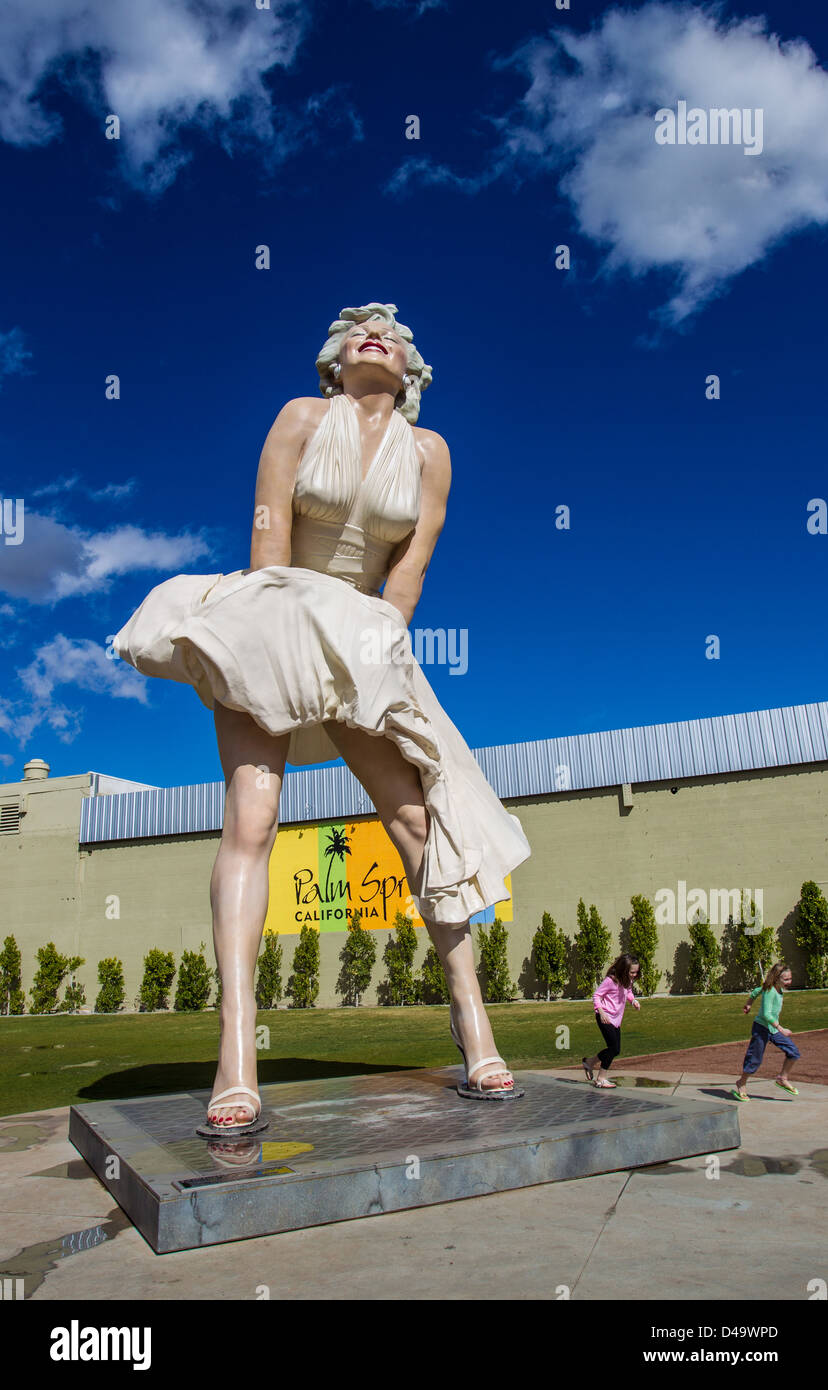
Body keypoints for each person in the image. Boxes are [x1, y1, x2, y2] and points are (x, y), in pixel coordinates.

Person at [113, 302, 532, 1133]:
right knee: (253, 818)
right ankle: (237, 1059)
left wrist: (379, 654)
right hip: (273, 615)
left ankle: (472, 1025)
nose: (374, 333)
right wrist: (272, 636)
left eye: (392, 332)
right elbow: (269, 536)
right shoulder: (301, 417)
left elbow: (406, 579)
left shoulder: (430, 452)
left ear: (410, 368)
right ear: (335, 359)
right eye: (357, 329)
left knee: (419, 824)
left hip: (361, 638)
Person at [732, 962, 800, 1101]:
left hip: (773, 1030)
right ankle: (741, 1083)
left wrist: (749, 1003)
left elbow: (756, 991)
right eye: (786, 979)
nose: (789, 982)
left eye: (790, 979)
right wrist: (781, 1028)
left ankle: (782, 1078)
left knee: (793, 1052)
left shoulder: (775, 989)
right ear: (776, 978)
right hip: (761, 1028)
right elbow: (766, 1015)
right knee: (754, 1060)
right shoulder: (770, 992)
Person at [582, 953, 641, 1088]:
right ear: (624, 969)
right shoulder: (611, 980)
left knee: (615, 1049)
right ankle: (600, 1079)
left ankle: (589, 1062)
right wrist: (601, 1012)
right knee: (614, 1048)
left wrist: (633, 1001)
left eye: (636, 973)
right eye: (632, 972)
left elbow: (628, 992)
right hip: (605, 1016)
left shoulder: (628, 981)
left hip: (616, 1019)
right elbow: (596, 995)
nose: (634, 975)